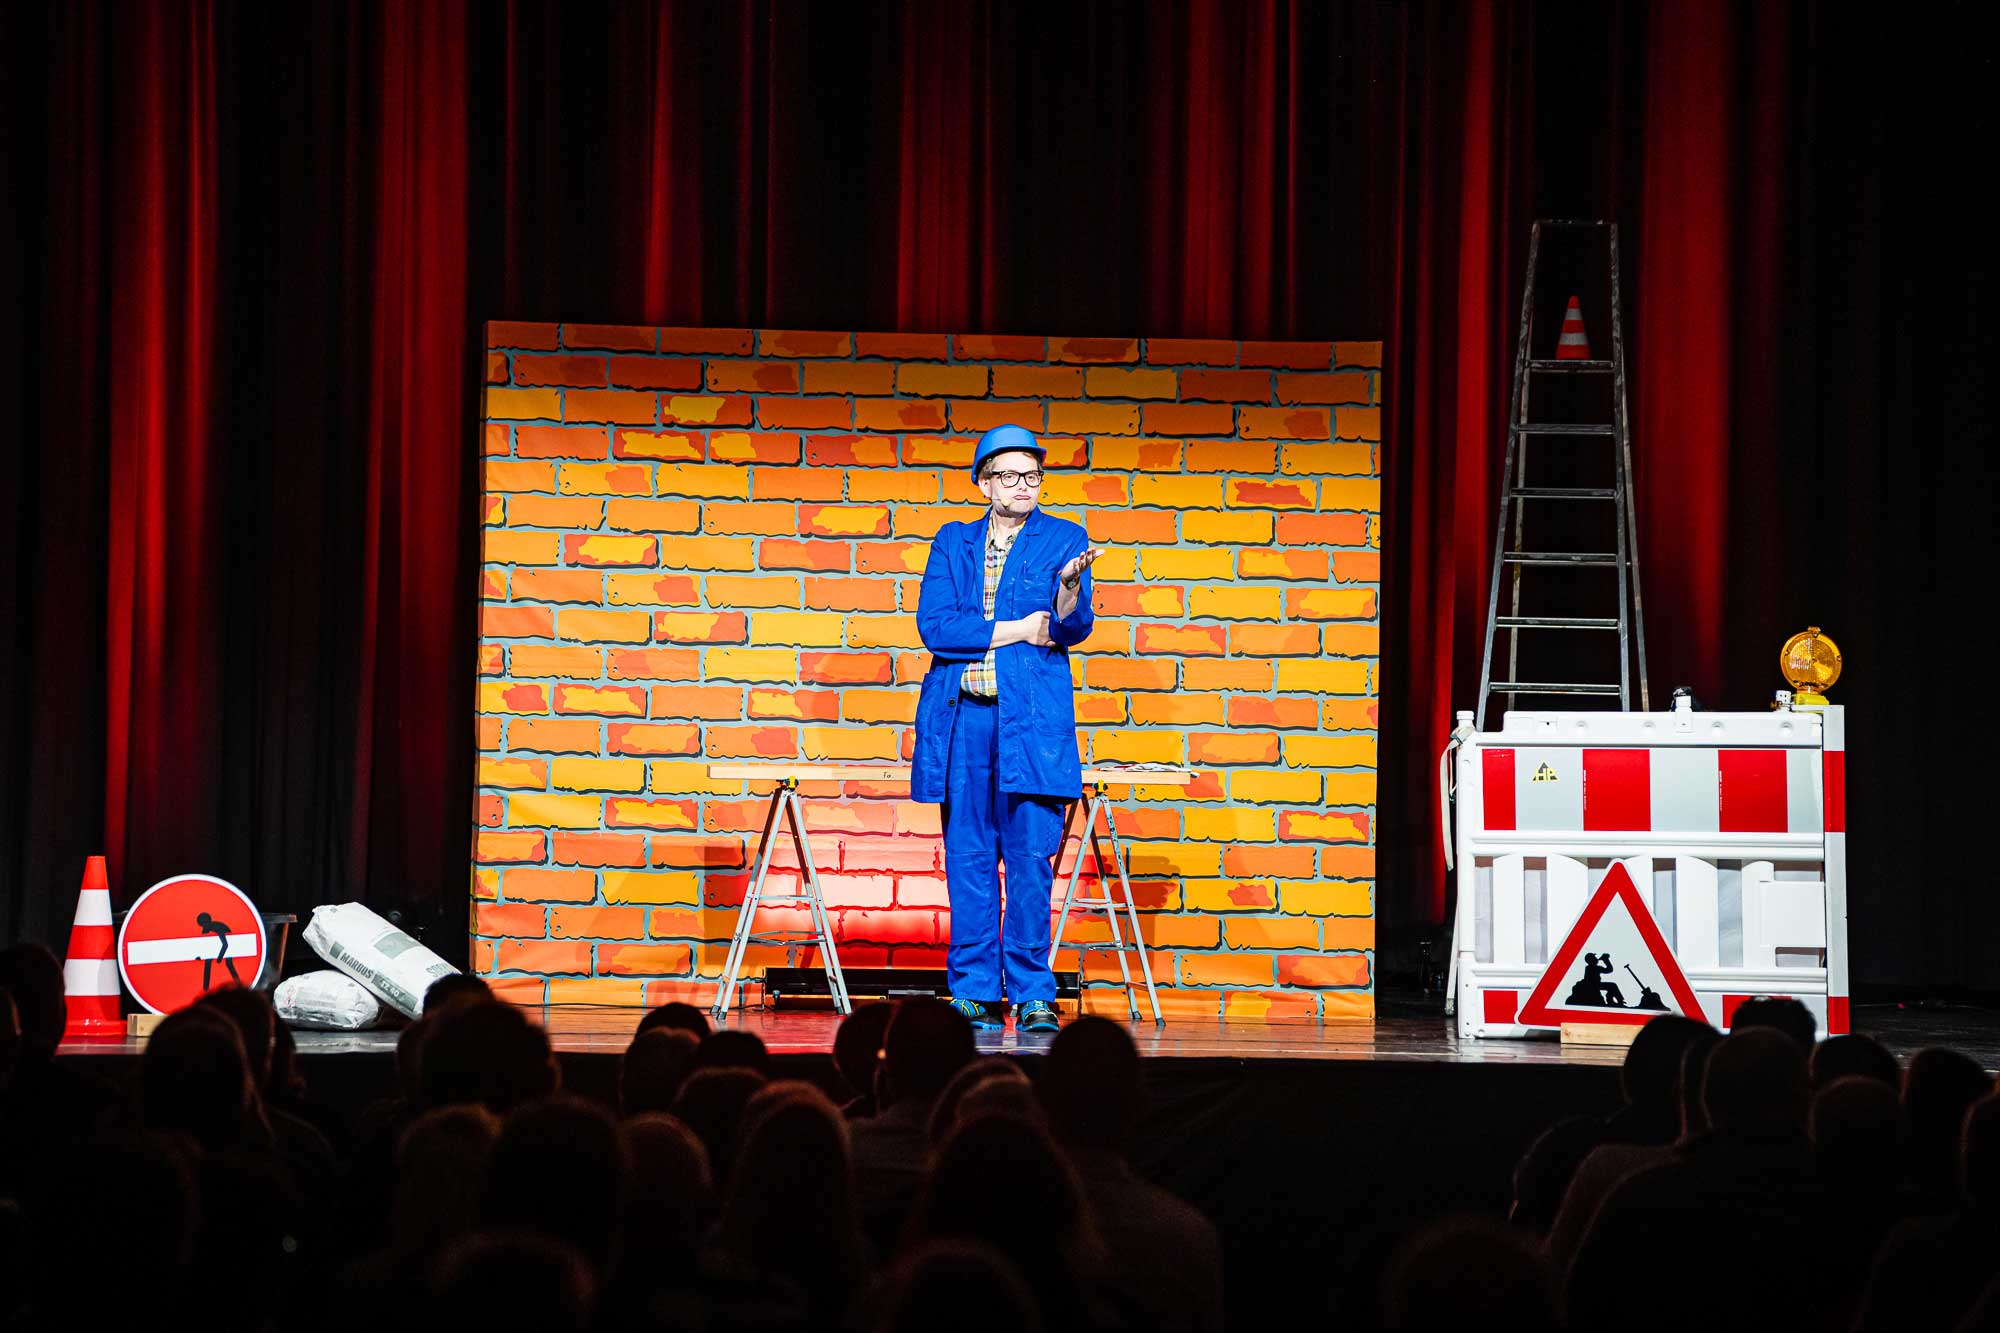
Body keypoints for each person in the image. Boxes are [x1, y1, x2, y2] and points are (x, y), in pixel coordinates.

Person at [912, 424, 1103, 1033]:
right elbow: (937, 629)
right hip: (964, 719)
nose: (1025, 486)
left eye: (1033, 475)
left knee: (1029, 857)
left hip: (1031, 725)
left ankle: (1032, 992)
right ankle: (972, 988)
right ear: (984, 482)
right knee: (968, 856)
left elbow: (1071, 628)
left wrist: (1069, 590)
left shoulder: (1064, 538)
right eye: (1011, 475)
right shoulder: (953, 542)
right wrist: (1021, 627)